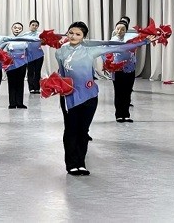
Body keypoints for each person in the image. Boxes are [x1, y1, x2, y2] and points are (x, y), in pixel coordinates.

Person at [53, 22, 152, 175]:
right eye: (71, 33)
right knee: (71, 130)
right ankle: (71, 164)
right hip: (69, 96)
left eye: (78, 34)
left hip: (90, 96)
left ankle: (81, 163)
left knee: (83, 131)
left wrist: (144, 41)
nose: (73, 36)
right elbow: (62, 74)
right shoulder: (60, 52)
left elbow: (120, 48)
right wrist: (59, 89)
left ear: (83, 37)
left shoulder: (90, 50)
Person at [106, 17, 138, 122]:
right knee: (119, 92)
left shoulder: (131, 39)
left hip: (130, 69)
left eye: (123, 29)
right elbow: (106, 54)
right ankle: (119, 115)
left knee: (127, 92)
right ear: (115, 29)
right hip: (117, 70)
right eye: (118, 29)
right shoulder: (112, 41)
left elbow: (141, 43)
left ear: (126, 30)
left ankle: (126, 114)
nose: (120, 31)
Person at [4, 22, 29, 109]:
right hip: (11, 63)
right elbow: (3, 51)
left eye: (19, 28)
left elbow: (28, 51)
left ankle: (20, 103)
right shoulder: (7, 39)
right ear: (12, 28)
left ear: (22, 30)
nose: (17, 29)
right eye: (15, 27)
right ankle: (12, 103)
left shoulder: (25, 39)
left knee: (20, 82)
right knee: (11, 82)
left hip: (22, 63)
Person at [24, 20, 43, 94]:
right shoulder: (25, 34)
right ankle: (31, 88)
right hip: (29, 55)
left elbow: (45, 42)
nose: (34, 26)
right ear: (29, 26)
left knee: (37, 72)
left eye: (36, 25)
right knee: (30, 72)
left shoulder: (40, 34)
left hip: (39, 55)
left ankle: (37, 88)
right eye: (33, 25)